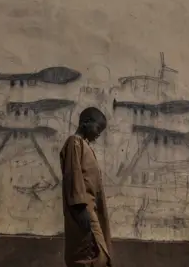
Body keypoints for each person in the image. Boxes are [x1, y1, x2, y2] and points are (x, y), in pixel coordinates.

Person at [59, 107, 112, 267]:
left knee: (99, 254)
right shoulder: (74, 143)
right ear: (85, 123)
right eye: (97, 128)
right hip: (83, 209)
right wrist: (81, 209)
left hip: (91, 209)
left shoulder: (85, 145)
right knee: (93, 255)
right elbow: (74, 176)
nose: (98, 134)